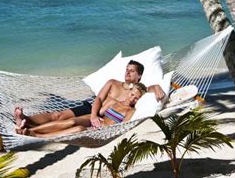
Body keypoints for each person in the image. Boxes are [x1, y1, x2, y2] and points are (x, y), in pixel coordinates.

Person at [14, 59, 165, 132]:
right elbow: (99, 99)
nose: (127, 72)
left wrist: (157, 87)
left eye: (131, 71)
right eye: (127, 69)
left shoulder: (136, 91)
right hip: (92, 108)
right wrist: (93, 116)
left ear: (139, 76)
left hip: (102, 119)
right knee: (58, 115)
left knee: (70, 124)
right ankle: (26, 120)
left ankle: (30, 129)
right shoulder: (113, 83)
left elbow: (152, 89)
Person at [17, 83, 147, 138]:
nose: (133, 99)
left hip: (103, 129)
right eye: (132, 95)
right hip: (93, 120)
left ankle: (36, 135)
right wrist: (94, 117)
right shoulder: (113, 102)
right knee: (71, 121)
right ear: (129, 91)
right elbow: (99, 111)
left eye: (137, 98)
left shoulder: (131, 111)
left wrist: (104, 129)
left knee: (78, 129)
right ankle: (29, 127)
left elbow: (123, 127)